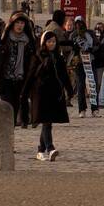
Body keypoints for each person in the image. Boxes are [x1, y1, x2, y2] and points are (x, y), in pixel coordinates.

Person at [24, 31, 72, 162]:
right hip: (40, 93)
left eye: (53, 42)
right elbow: (30, 75)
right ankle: (50, 148)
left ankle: (40, 150)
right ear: (44, 43)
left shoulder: (58, 57)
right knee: (46, 122)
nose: (51, 44)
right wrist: (24, 92)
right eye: (49, 41)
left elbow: (64, 75)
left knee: (48, 122)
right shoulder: (38, 56)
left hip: (54, 93)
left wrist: (69, 90)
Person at [0, 12, 37, 128]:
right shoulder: (2, 39)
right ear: (12, 24)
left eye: (22, 23)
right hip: (5, 78)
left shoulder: (30, 41)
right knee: (7, 105)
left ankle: (11, 129)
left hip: (21, 78)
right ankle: (7, 128)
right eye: (17, 22)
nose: (19, 25)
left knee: (16, 105)